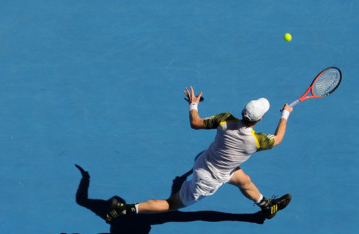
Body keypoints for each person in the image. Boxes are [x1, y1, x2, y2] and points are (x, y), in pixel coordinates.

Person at [106, 86, 293, 223]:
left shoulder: (225, 120)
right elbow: (278, 139)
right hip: (209, 179)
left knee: (244, 180)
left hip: (204, 161)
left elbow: (195, 123)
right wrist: (285, 114)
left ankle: (266, 206)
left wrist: (193, 105)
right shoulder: (257, 141)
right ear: (260, 119)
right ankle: (125, 210)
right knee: (171, 204)